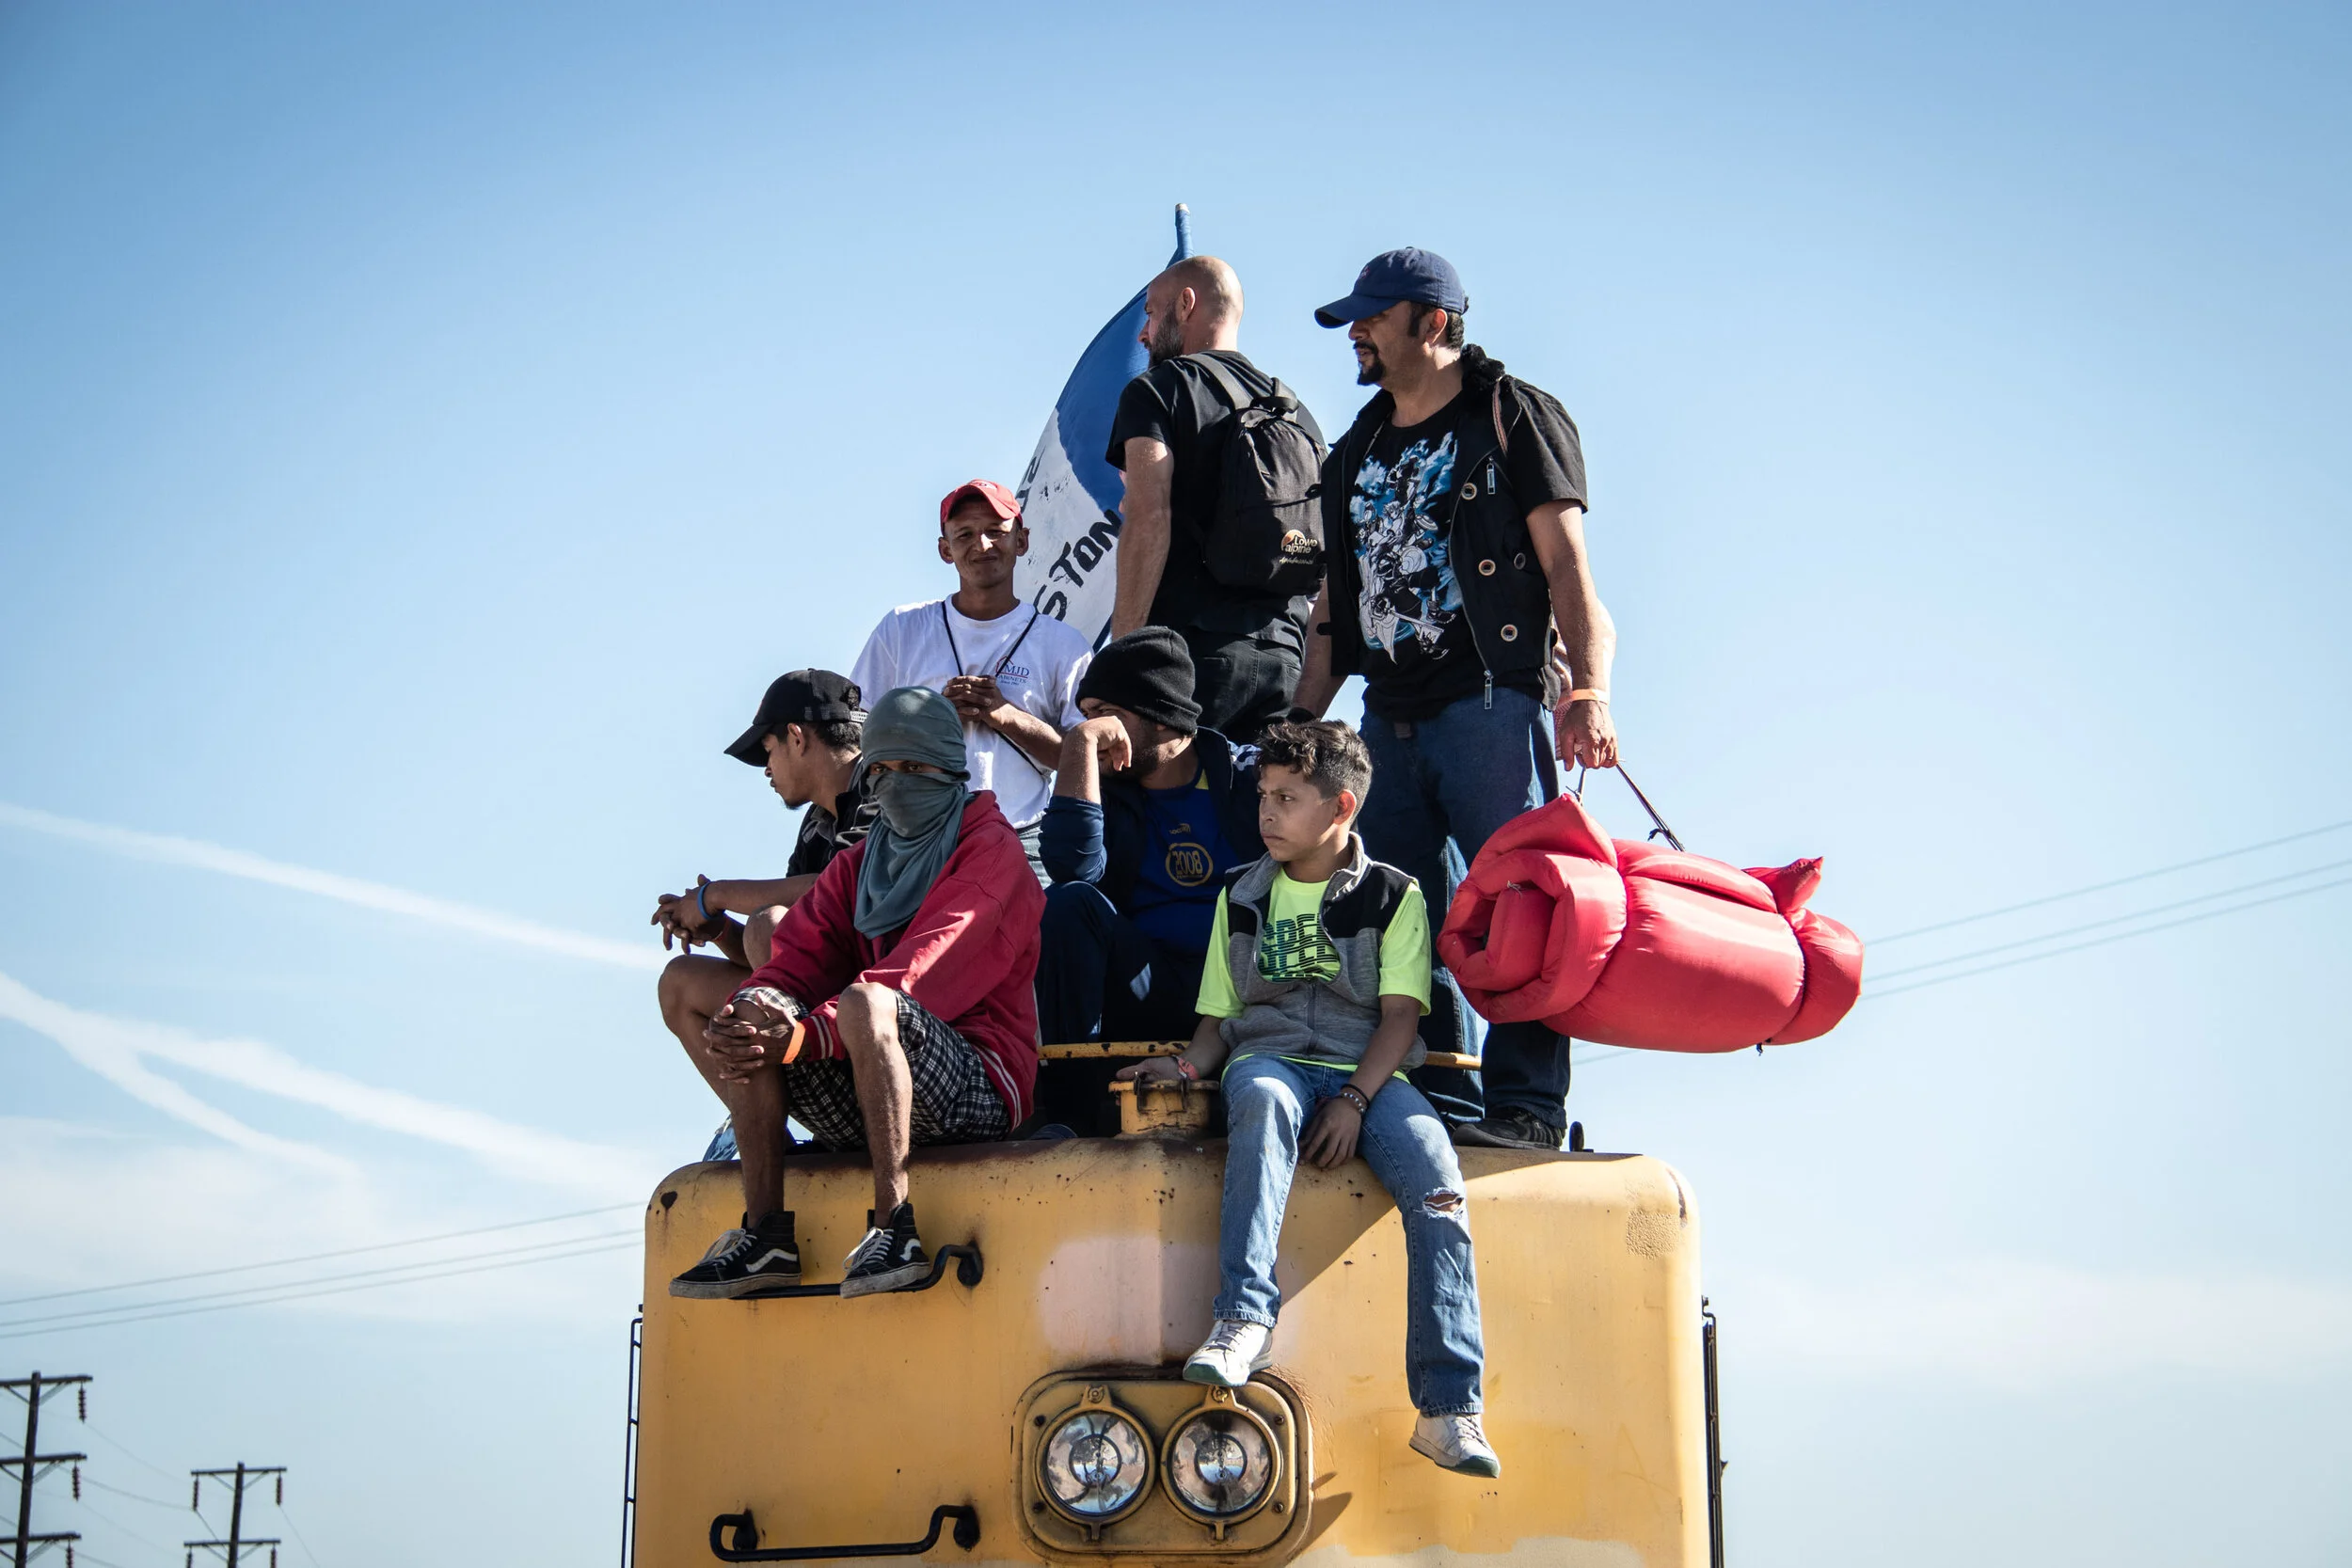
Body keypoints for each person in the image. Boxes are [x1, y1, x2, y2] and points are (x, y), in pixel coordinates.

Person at [1291, 247, 1619, 1154]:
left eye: (1371, 316)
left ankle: (1526, 1105)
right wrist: (1296, 729)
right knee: (1393, 918)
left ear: (1431, 324)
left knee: (1523, 906)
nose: (1354, 331)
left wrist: (1586, 687)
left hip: (1488, 705)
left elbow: (1567, 567)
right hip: (1382, 720)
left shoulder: (1513, 417)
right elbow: (1332, 608)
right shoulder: (1353, 448)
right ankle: (1438, 1099)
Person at [1116, 721, 1497, 1478]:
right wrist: (1184, 1069)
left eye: (1287, 798)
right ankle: (1243, 1319)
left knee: (1438, 1180)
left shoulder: (1396, 895)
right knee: (1257, 1100)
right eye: (1263, 795)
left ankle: (1450, 1408)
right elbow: (1220, 1023)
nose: (1267, 813)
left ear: (1341, 806)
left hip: (1371, 1070)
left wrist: (1355, 1098)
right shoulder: (1241, 892)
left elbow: (1399, 1018)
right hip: (1272, 1058)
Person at [667, 687, 1045, 1301]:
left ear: (951, 768)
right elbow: (799, 959)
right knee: (747, 1013)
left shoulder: (991, 851)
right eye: (884, 769)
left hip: (980, 1085)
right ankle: (766, 1233)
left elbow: (919, 978)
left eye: (915, 768)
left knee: (866, 1003)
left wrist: (802, 1036)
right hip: (873, 1072)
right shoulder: (862, 863)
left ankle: (895, 1225)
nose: (898, 783)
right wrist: (760, 1013)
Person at [1034, 629, 1264, 1130]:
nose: (1093, 727)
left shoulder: (1253, 779)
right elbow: (1073, 870)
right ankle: (1070, 1114)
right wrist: (1077, 745)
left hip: (1247, 987)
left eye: (1103, 714)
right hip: (1147, 985)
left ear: (1159, 717)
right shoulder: (1102, 782)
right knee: (1070, 903)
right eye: (1086, 713)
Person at [1105, 256, 1327, 741]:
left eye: (1150, 313)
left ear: (1186, 305)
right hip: (1284, 660)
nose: (1143, 333)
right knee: (1258, 815)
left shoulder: (1157, 389)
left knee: (1159, 813)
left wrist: (1122, 660)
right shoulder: (1298, 413)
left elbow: (1147, 516)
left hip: (1186, 660)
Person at [851, 480, 1092, 880]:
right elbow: (857, 739)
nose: (982, 545)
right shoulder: (902, 628)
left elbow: (1086, 764)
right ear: (945, 550)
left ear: (1022, 539)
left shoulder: (1064, 644)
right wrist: (931, 722)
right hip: (916, 841)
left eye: (996, 531)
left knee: (1033, 944)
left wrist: (1003, 715)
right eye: (964, 534)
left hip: (1024, 840)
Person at [651, 670, 876, 976]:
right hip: (836, 977)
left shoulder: (882, 782)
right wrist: (718, 927)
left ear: (797, 738)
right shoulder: (817, 818)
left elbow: (838, 886)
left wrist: (714, 896)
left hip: (884, 988)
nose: (767, 770)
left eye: (768, 751)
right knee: (682, 981)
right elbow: (783, 947)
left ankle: (787, 1024)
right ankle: (776, 1020)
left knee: (766, 921)